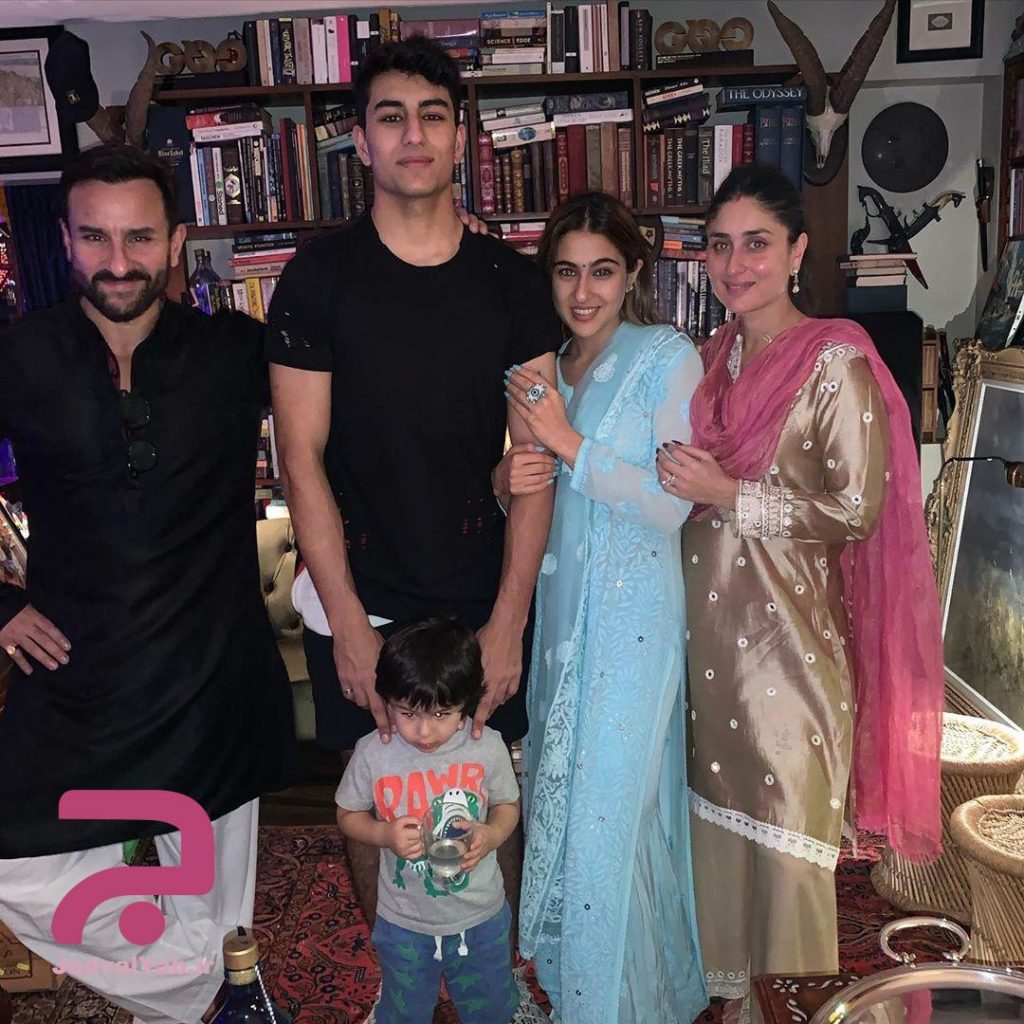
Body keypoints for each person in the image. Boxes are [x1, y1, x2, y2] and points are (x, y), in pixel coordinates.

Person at [265, 34, 560, 925]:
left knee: (491, 795)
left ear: (462, 136)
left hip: (479, 590)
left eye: (433, 116)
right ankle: (394, 972)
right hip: (361, 590)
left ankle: (494, 977)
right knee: (376, 800)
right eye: (391, 117)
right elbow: (300, 459)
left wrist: (509, 623)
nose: (414, 135)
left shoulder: (511, 283)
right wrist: (349, 621)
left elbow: (535, 461)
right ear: (361, 140)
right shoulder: (316, 278)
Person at [0, 145, 296, 1024]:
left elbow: (351, 395)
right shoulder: (20, 356)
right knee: (22, 866)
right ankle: (209, 995)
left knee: (212, 896)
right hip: (77, 673)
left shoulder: (237, 350)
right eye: (95, 237)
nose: (118, 261)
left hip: (212, 669)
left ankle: (211, 991)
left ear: (175, 242)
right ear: (66, 240)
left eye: (138, 237)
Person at [657, 164, 943, 1017]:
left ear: (796, 252)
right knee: (721, 856)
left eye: (757, 243)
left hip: (792, 664)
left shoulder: (833, 362)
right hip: (706, 659)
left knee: (789, 864)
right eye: (719, 246)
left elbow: (856, 510)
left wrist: (729, 493)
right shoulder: (710, 362)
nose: (734, 264)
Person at [499, 192, 706, 1024]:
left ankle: (619, 1005)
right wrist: (506, 474)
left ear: (633, 274)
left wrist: (564, 440)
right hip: (561, 619)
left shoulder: (666, 356)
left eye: (602, 272)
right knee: (573, 805)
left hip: (633, 623)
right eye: (566, 273)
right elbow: (529, 495)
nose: (583, 293)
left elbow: (669, 504)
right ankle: (605, 993)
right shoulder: (542, 370)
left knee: (614, 811)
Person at [336, 617, 545, 1024]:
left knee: (491, 1008)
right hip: (404, 922)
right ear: (386, 700)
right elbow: (347, 814)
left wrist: (491, 834)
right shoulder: (373, 753)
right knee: (405, 1010)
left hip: (480, 917)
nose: (424, 730)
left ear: (467, 703)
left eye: (441, 713)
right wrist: (383, 833)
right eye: (408, 713)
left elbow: (508, 804)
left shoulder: (487, 747)